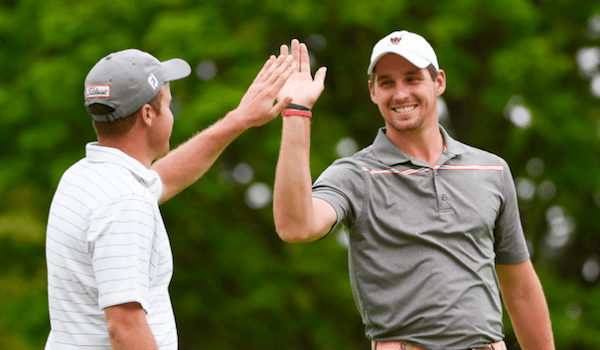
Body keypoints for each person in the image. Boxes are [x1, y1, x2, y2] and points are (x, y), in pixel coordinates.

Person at [273, 32, 555, 350]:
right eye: (387, 82)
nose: (400, 93)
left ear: (439, 82)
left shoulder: (491, 170)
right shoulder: (354, 174)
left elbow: (520, 290)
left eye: (412, 78)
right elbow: (295, 226)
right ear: (373, 91)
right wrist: (296, 111)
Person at [45, 48, 295, 349]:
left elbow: (166, 177)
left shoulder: (84, 177)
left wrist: (238, 119)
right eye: (168, 103)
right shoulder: (125, 202)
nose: (172, 113)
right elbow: (124, 328)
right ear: (148, 115)